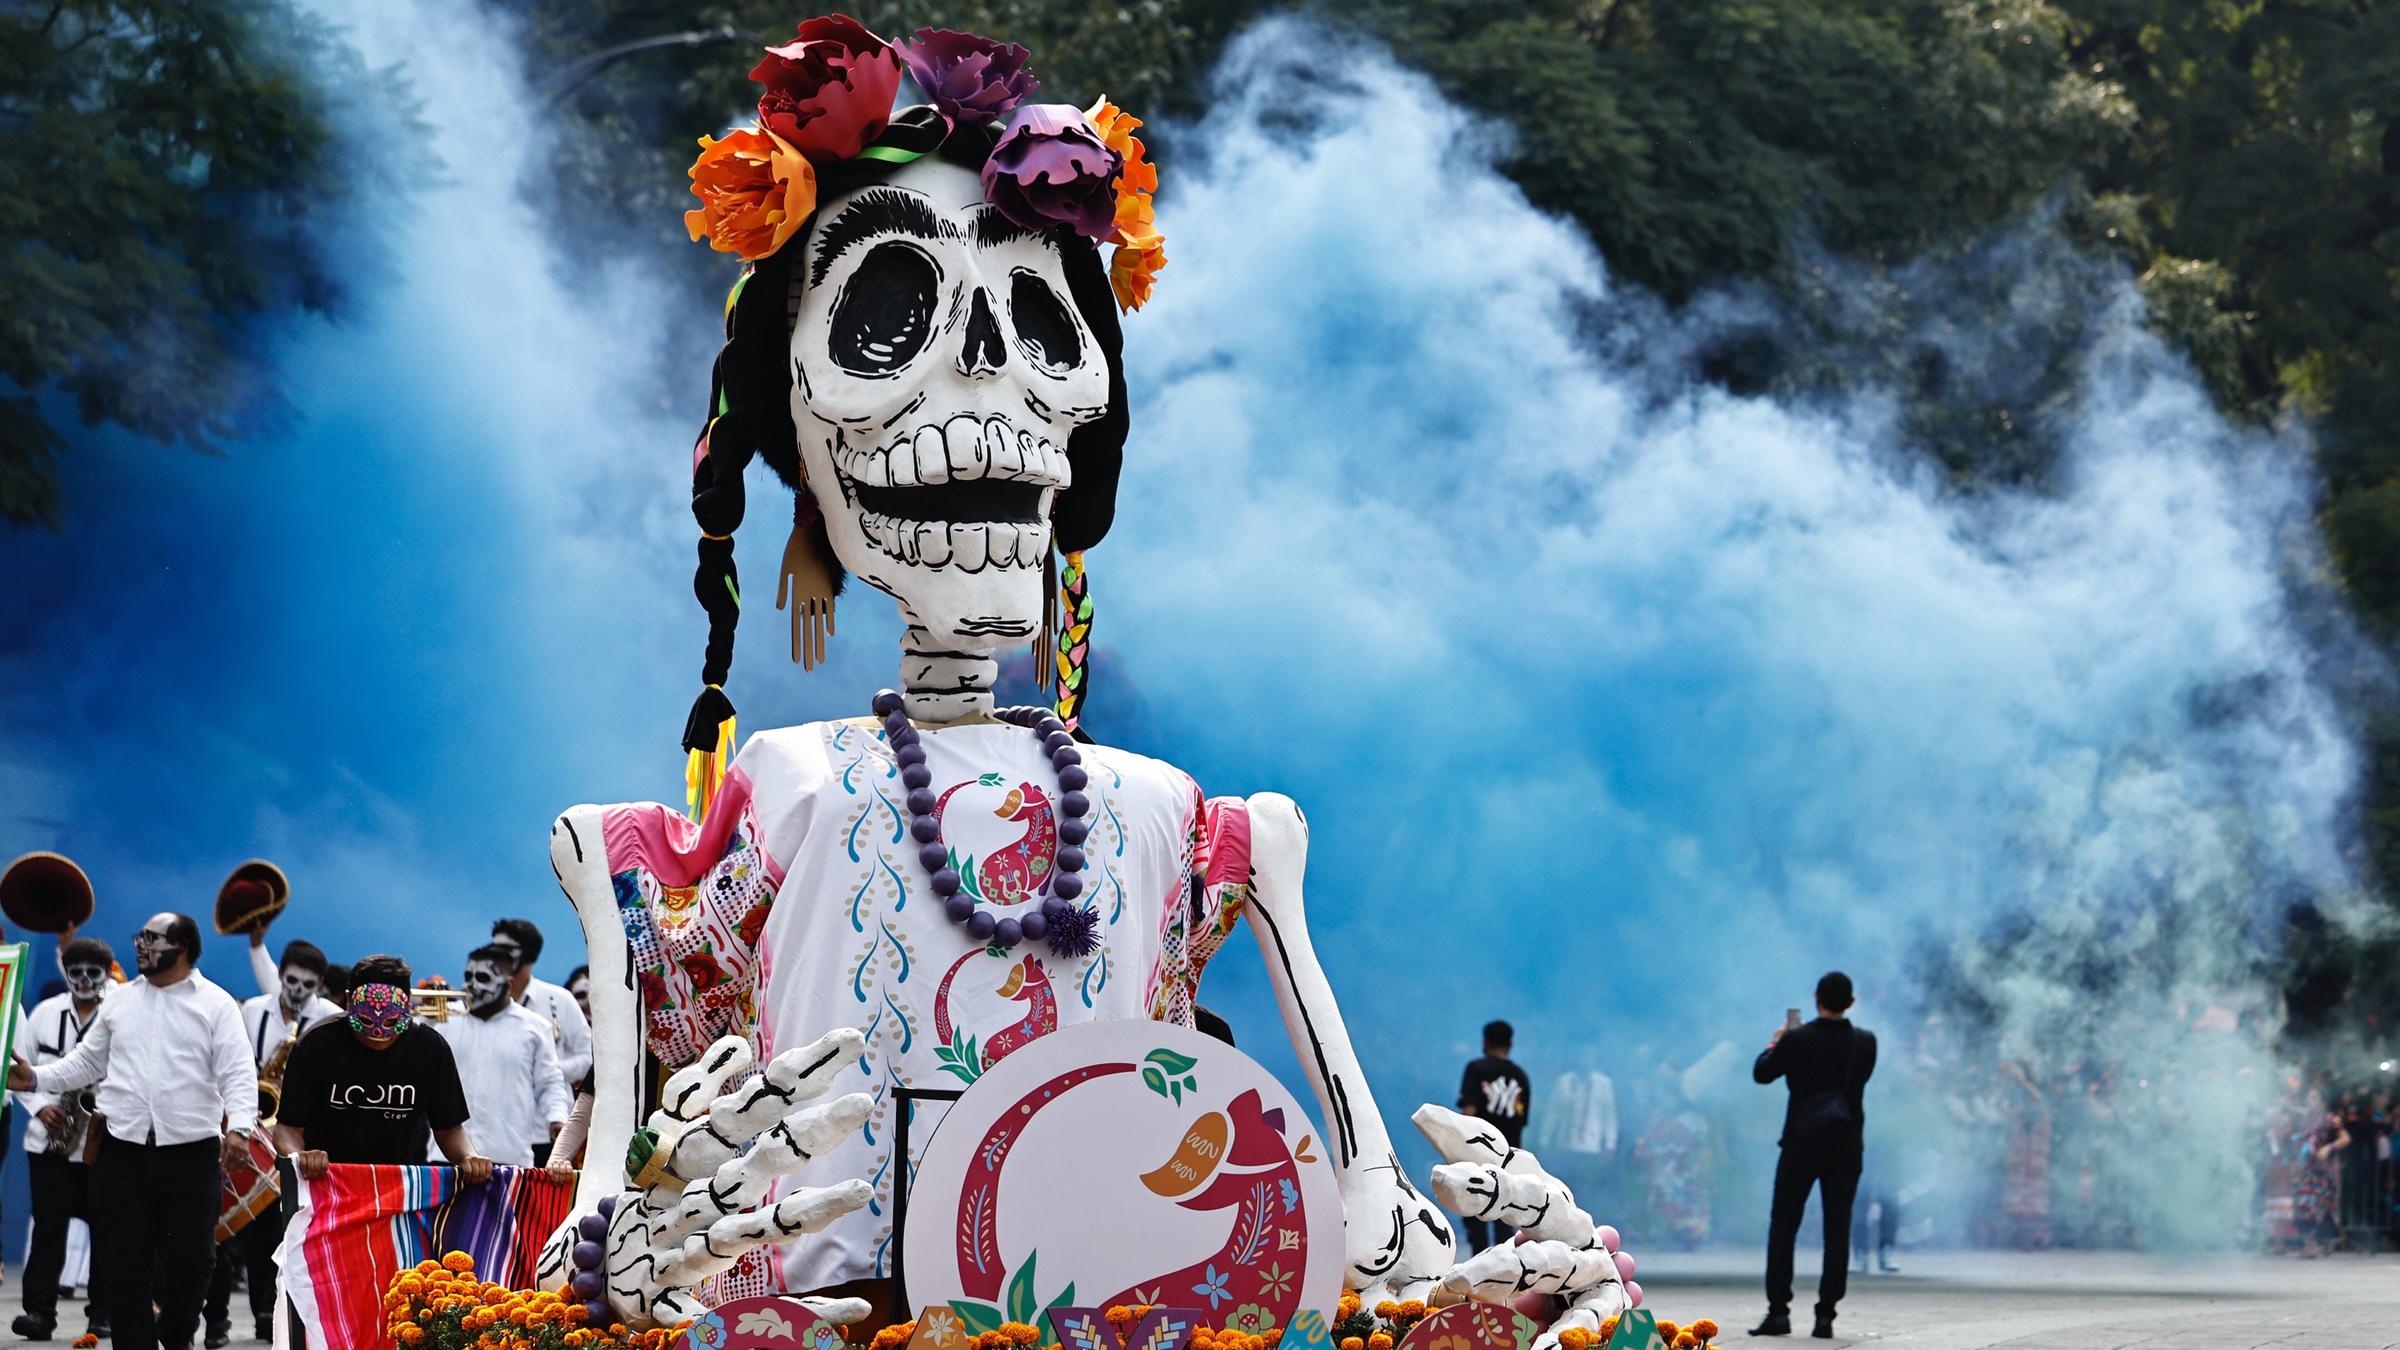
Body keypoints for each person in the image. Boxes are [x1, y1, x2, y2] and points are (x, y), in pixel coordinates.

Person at [8, 913, 257, 1350]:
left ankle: (177, 1336)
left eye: (151, 938)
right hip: (120, 1155)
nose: (139, 944)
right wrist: (33, 1079)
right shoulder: (120, 1002)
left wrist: (239, 1129)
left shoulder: (215, 1004)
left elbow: (238, 1074)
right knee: (123, 1266)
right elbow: (86, 1063)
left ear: (181, 946)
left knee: (193, 1265)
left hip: (192, 1156)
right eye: (139, 936)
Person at [204, 939, 344, 1346]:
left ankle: (268, 1311)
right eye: (290, 981)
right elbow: (234, 1063)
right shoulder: (252, 1011)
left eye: (307, 984)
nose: (297, 991)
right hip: (252, 1130)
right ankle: (219, 1320)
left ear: (319, 984)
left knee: (273, 1234)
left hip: (298, 1137)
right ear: (279, 975)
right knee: (227, 1230)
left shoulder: (331, 1018)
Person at [274, 954, 488, 1180]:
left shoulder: (429, 1048)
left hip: (398, 1186)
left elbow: (449, 1129)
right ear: (349, 1002)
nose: (378, 1036)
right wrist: (301, 1157)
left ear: (407, 1005)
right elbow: (287, 1128)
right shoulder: (316, 1043)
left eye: (391, 1022)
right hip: (326, 1182)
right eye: (365, 1021)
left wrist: (469, 1157)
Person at [1751, 972, 1877, 1339]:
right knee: (1838, 1231)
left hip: (1801, 1145)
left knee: (1784, 1227)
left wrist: (1777, 1042)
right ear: (1851, 1002)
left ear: (1816, 997)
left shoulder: (1797, 1040)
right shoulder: (1866, 1042)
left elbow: (1762, 1074)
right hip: (1846, 1147)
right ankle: (1826, 1316)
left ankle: (1779, 1312)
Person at [11, 938, 117, 1342]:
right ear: (65, 973)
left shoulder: (116, 1015)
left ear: (107, 974)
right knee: (48, 1231)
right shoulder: (43, 1014)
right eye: (76, 973)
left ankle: (102, 1314)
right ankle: (39, 1313)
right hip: (48, 1143)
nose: (85, 981)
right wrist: (40, 1107)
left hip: (101, 1144)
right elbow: (17, 1069)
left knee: (106, 1233)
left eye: (94, 973)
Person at [434, 944, 570, 1168]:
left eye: (483, 977)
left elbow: (550, 1082)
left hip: (509, 1160)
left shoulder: (535, 1027)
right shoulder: (443, 1021)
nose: (471, 985)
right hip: (444, 1159)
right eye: (468, 976)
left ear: (508, 985)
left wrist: (557, 1119)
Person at [487, 918, 592, 1164]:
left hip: (547, 1128)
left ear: (529, 954)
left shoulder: (560, 999)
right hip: (494, 1131)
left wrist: (547, 1070)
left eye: (505, 948)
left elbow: (589, 1058)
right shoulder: (484, 1003)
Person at [1456, 1019, 1532, 1251]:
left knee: (1474, 1211)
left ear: (1485, 1042)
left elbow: (1468, 1113)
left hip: (1478, 1155)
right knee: (1504, 1215)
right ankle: (1503, 1268)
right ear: (1509, 1045)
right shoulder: (1521, 1077)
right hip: (1507, 1157)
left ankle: (1480, 1265)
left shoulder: (1476, 1070)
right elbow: (1520, 1120)